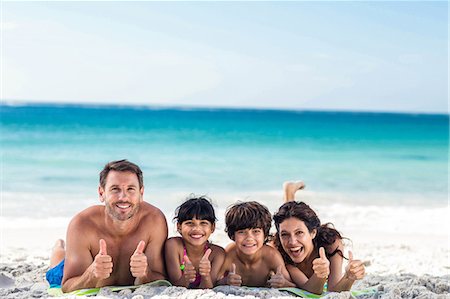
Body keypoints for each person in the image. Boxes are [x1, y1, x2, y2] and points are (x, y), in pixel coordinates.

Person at [46, 159, 168, 293]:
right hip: (79, 267)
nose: (123, 197)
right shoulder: (82, 224)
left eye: (131, 189)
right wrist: (91, 274)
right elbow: (67, 286)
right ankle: (58, 247)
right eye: (115, 189)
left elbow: (161, 278)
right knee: (57, 268)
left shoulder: (154, 221)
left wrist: (145, 273)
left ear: (141, 193)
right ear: (101, 193)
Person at [272, 181, 365, 294]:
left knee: (293, 219)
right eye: (284, 234)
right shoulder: (278, 249)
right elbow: (309, 290)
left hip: (317, 237)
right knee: (289, 218)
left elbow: (334, 291)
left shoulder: (331, 244)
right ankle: (289, 191)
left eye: (299, 233)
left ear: (313, 233)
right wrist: (319, 276)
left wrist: (349, 278)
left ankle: (289, 191)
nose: (292, 242)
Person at [217, 201, 293, 288]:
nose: (249, 238)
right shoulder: (229, 254)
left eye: (256, 231)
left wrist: (283, 283)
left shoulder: (272, 255)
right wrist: (225, 281)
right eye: (241, 232)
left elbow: (291, 285)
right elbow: (213, 282)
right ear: (232, 235)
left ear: (265, 235)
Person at [164, 196, 225, 288]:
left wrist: (206, 276)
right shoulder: (174, 246)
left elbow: (208, 290)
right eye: (189, 223)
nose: (196, 229)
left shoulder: (217, 254)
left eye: (203, 223)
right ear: (179, 226)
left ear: (212, 227)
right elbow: (176, 287)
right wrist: (186, 277)